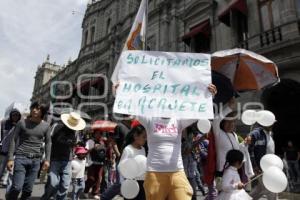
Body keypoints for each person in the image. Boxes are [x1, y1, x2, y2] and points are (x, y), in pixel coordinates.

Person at [135, 84, 217, 200]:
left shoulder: (178, 121)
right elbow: (132, 109)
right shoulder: (150, 120)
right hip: (155, 173)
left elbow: (197, 113)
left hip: (177, 172)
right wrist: (118, 93)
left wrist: (209, 97)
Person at [6, 102, 51, 200]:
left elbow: (48, 143)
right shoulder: (22, 123)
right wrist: (10, 158)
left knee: (28, 190)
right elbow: (14, 140)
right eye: (33, 108)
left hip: (36, 161)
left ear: (42, 112)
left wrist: (47, 160)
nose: (34, 110)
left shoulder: (46, 126)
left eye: (38, 109)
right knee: (17, 187)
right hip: (21, 157)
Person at [41, 112, 86, 200]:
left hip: (67, 161)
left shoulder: (76, 132)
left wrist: (74, 146)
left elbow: (74, 145)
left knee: (65, 185)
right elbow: (48, 142)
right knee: (53, 183)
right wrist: (46, 158)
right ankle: (45, 197)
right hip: (54, 159)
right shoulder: (56, 127)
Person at [100, 116, 132, 200]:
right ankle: (104, 197)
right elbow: (113, 142)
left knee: (128, 183)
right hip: (122, 158)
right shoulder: (120, 126)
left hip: (131, 159)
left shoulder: (132, 128)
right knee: (120, 183)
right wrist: (118, 154)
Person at [248, 121, 277, 200]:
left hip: (270, 167)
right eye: (270, 122)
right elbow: (249, 150)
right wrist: (254, 166)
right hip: (261, 167)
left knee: (260, 189)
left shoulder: (270, 134)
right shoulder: (256, 134)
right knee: (272, 188)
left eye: (272, 123)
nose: (272, 124)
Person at [119, 124, 147, 200]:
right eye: (144, 137)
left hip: (143, 183)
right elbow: (121, 167)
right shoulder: (128, 149)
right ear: (135, 136)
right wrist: (122, 185)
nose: (145, 139)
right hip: (131, 184)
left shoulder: (143, 149)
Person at [84, 130, 108, 199]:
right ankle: (86, 190)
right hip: (91, 163)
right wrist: (94, 148)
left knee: (98, 179)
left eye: (100, 134)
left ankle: (94, 193)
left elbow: (104, 151)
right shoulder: (90, 141)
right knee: (91, 179)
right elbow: (86, 151)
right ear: (94, 134)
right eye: (97, 134)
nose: (98, 135)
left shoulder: (102, 142)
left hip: (100, 163)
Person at [0, 109, 21, 185]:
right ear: (11, 115)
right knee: (1, 166)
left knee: (9, 166)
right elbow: (2, 135)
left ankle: (4, 180)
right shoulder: (4, 123)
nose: (15, 117)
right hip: (4, 149)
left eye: (17, 115)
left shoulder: (20, 125)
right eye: (13, 115)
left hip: (14, 149)